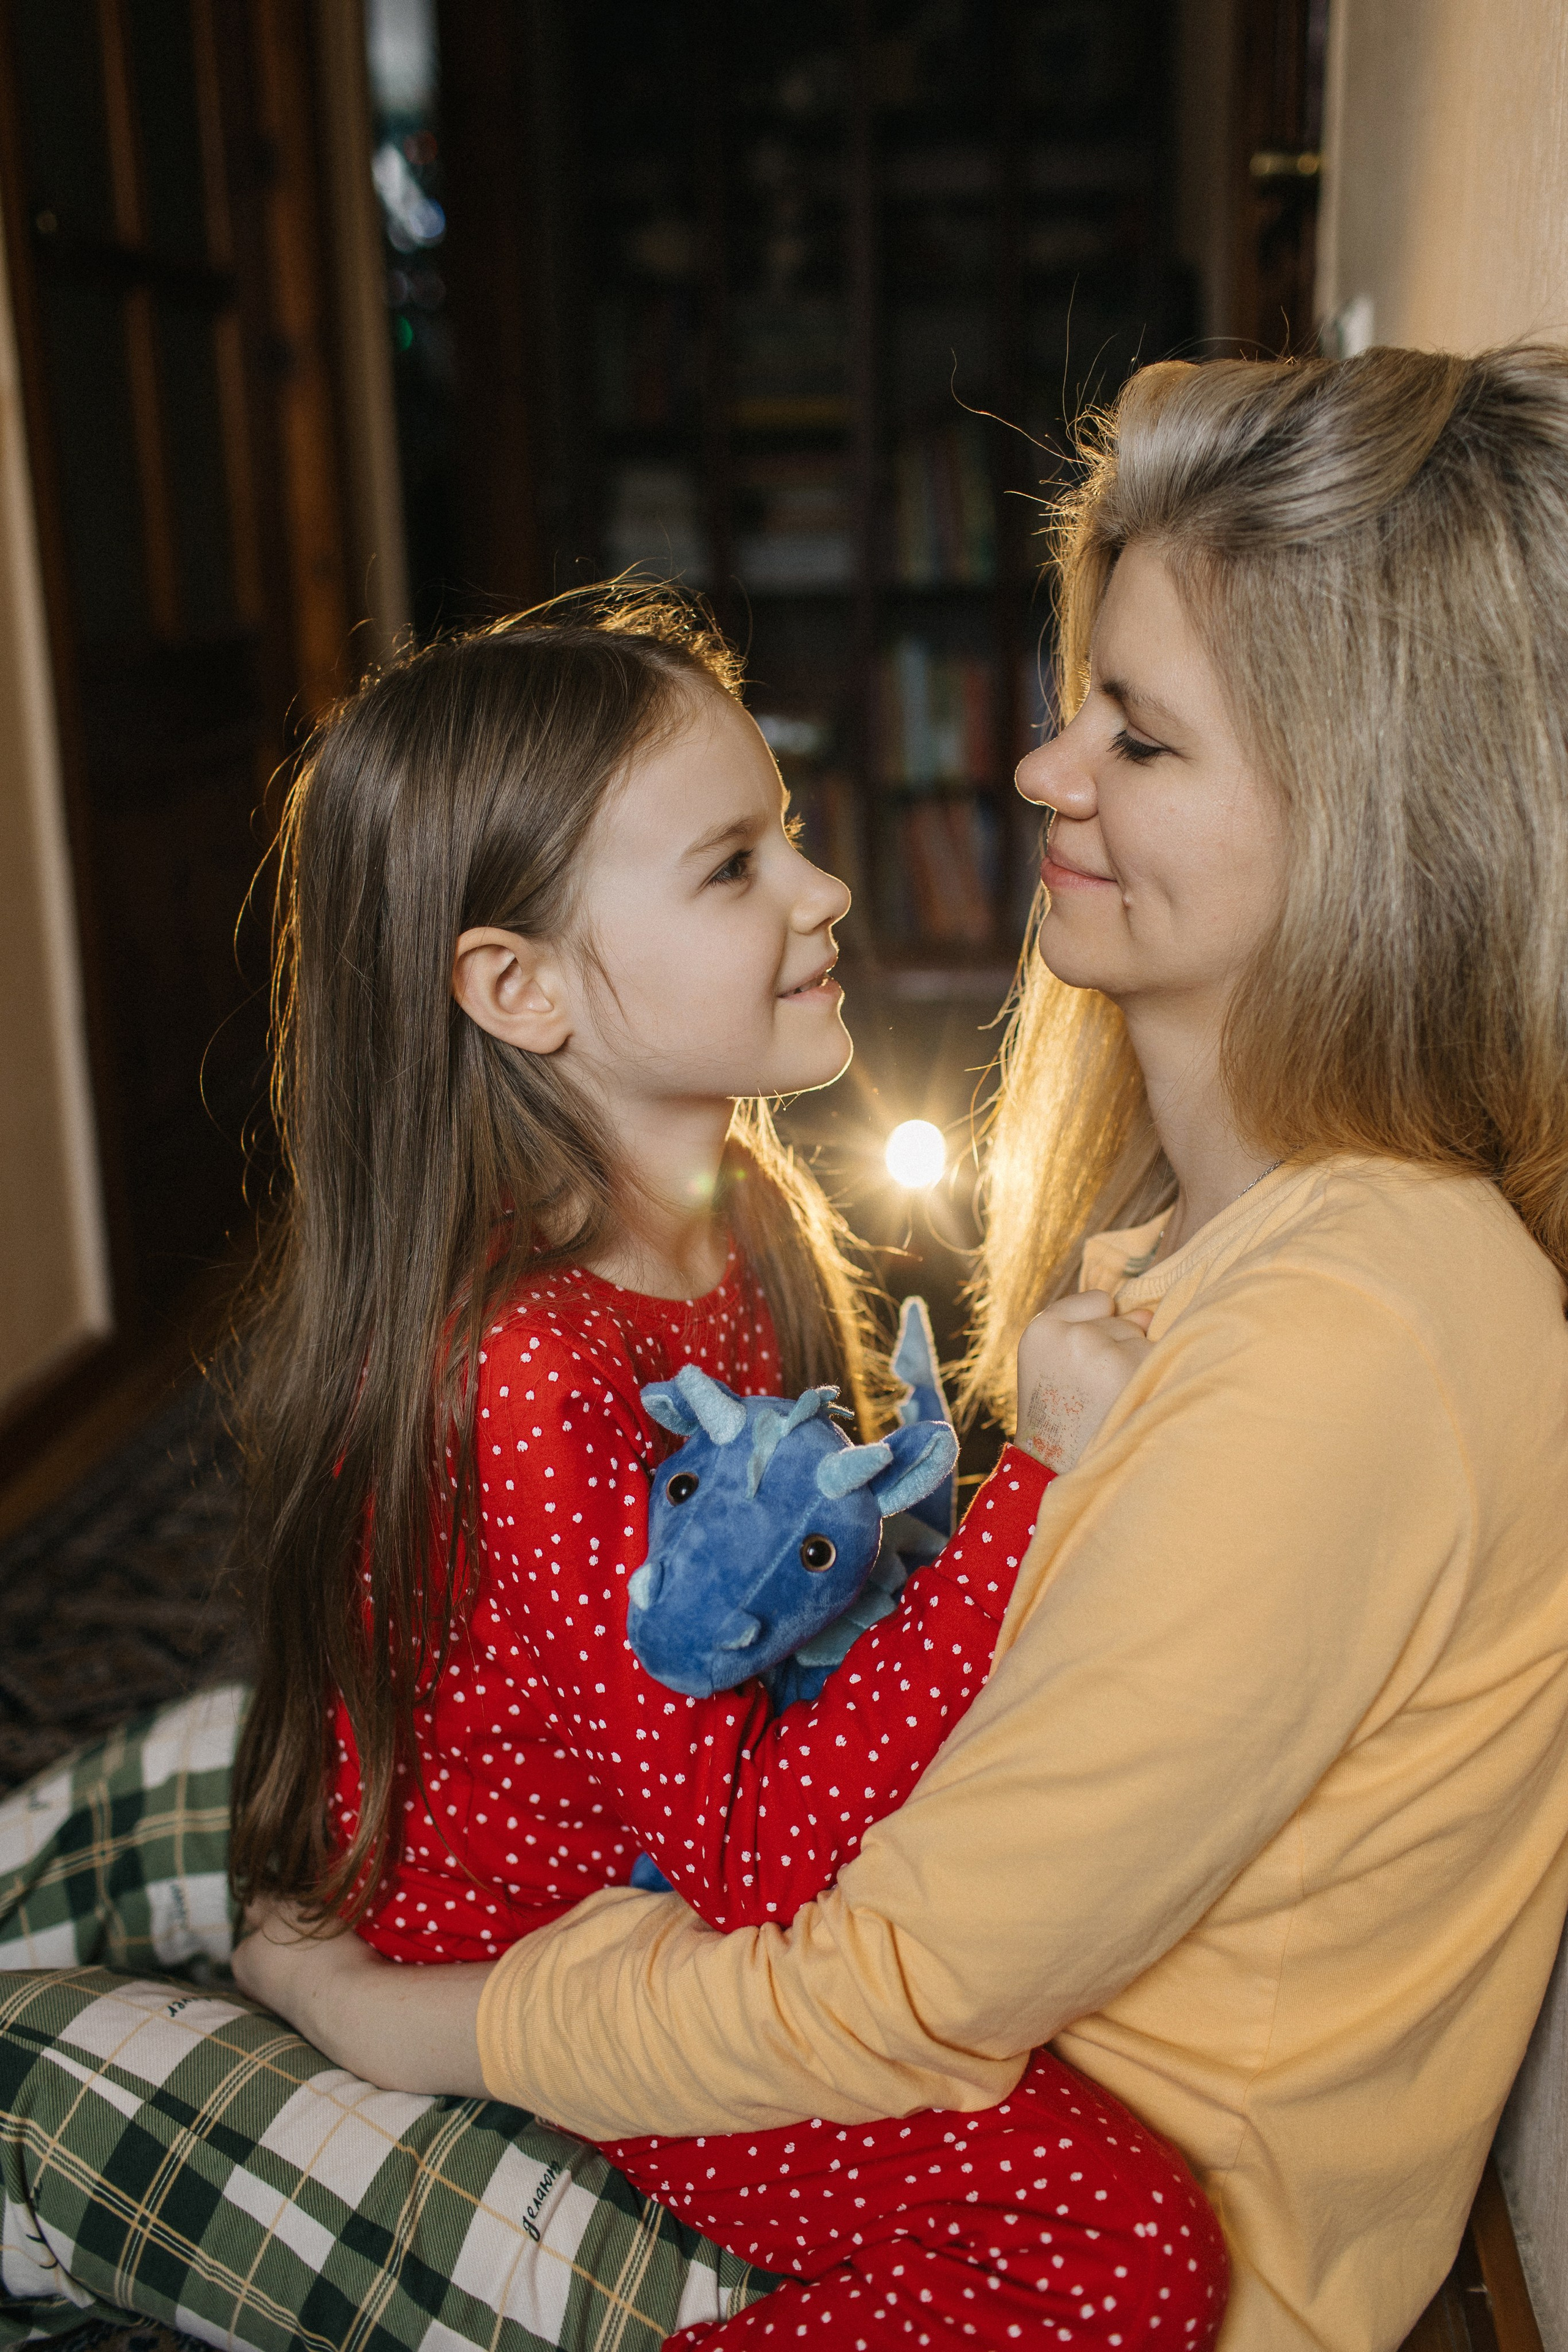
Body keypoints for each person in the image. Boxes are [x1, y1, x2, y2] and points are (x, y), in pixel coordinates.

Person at [7, 339, 1568, 2352]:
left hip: (929, 2144)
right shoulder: (1211, 1229)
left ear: (1370, 822)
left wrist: (411, 2018)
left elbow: (858, 1964)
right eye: (1079, 700)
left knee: (62, 2050)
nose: (1034, 772)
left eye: (1143, 741)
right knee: (241, 1759)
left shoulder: (1346, 1342)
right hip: (718, 1939)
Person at [0, 594, 1218, 2352]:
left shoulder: (748, 1222)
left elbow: (814, 1630)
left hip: (595, 1843)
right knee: (1123, 2251)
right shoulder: (535, 1375)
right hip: (562, 1948)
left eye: (783, 830)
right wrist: (1036, 1482)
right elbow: (753, 1854)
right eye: (733, 866)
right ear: (521, 988)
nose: (825, 891)